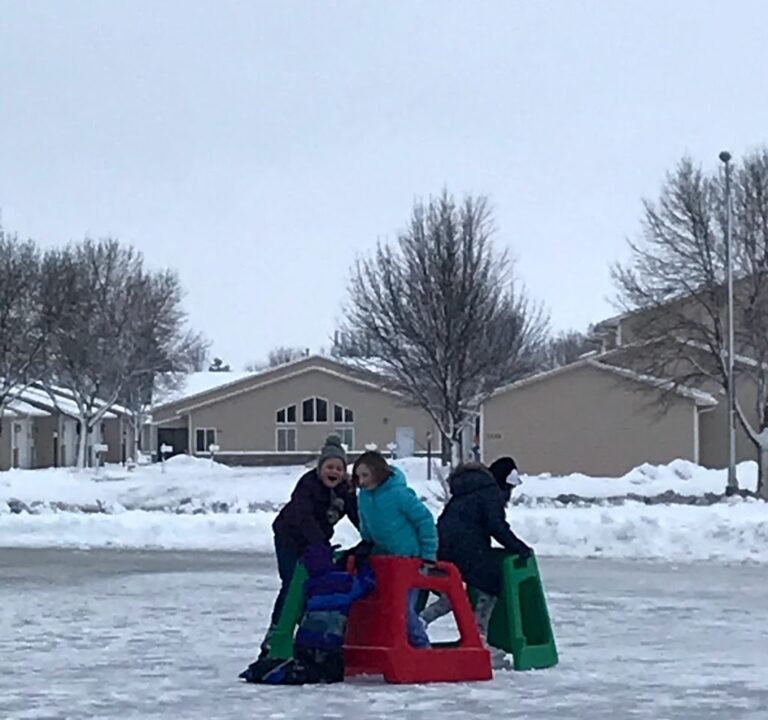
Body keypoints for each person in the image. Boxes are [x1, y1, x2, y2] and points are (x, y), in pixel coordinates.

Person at [419, 456, 532, 667]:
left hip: (442, 547)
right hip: (467, 548)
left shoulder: (465, 491)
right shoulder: (488, 492)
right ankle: (478, 639)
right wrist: (519, 548)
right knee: (490, 583)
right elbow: (497, 526)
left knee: (452, 593)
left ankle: (420, 621)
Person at [259, 435, 360, 658]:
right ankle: (275, 635)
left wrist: (371, 537)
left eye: (338, 468)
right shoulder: (308, 484)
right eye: (329, 467)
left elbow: (357, 515)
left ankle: (306, 634)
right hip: (290, 537)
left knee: (312, 587)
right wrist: (319, 543)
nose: (333, 472)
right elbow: (302, 515)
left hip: (317, 542)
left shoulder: (346, 490)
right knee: (292, 581)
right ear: (320, 467)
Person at [240, 544, 376, 685]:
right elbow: (367, 584)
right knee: (328, 673)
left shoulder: (311, 586)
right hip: (327, 646)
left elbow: (299, 613)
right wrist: (363, 564)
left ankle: (268, 671)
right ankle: (281, 673)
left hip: (303, 644)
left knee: (305, 667)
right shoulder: (345, 584)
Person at [353, 450, 438, 649]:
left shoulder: (399, 494)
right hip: (384, 561)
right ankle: (395, 645)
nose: (362, 481)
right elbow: (365, 525)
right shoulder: (364, 497)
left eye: (365, 475)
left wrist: (428, 555)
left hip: (409, 561)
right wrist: (366, 545)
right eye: (358, 476)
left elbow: (424, 521)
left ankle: (422, 647)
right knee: (384, 606)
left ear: (378, 472)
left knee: (404, 609)